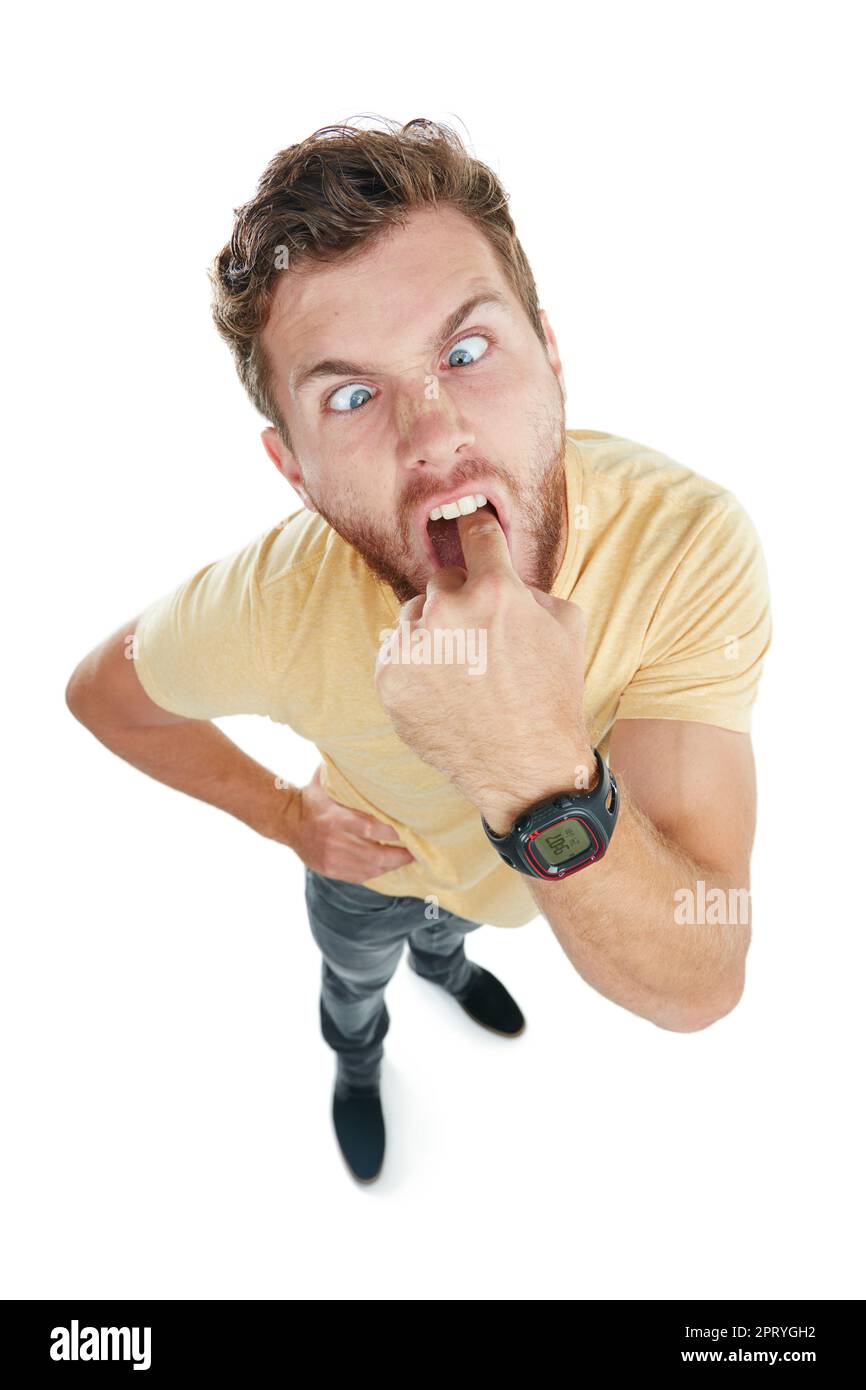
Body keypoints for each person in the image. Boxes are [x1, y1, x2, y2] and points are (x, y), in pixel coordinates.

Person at [66, 117, 772, 1185]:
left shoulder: (688, 544)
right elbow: (99, 695)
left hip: (514, 890)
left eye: (464, 350)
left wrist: (531, 774)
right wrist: (286, 816)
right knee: (356, 980)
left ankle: (444, 969)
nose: (431, 433)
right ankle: (356, 1055)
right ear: (292, 468)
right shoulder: (264, 605)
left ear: (551, 354)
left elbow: (700, 974)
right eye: (350, 395)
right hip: (368, 876)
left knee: (451, 938)